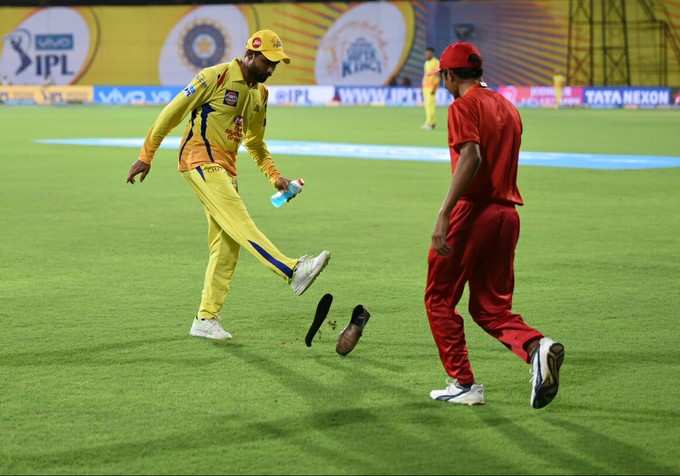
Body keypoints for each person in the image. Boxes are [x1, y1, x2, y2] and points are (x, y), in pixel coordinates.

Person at [126, 30, 330, 341]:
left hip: (226, 170)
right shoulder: (215, 77)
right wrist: (146, 155)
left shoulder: (259, 96)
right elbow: (172, 113)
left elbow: (256, 144)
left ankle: (205, 318)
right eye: (268, 62)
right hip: (198, 161)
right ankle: (292, 271)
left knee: (226, 246)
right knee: (239, 220)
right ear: (250, 54)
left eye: (277, 63)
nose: (272, 69)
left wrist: (275, 176)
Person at [424, 41, 565, 408]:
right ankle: (537, 347)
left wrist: (444, 211)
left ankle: (462, 382)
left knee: (439, 297)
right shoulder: (508, 107)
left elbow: (472, 155)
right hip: (507, 215)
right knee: (490, 307)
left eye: (444, 78)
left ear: (451, 75)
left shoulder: (462, 107)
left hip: (472, 213)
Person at [421, 47, 440, 130]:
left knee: (430, 106)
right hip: (425, 87)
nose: (426, 55)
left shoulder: (436, 62)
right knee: (427, 106)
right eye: (426, 53)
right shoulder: (426, 63)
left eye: (428, 53)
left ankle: (429, 123)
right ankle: (432, 123)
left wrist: (435, 88)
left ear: (432, 54)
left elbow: (438, 76)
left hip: (431, 87)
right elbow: (426, 75)